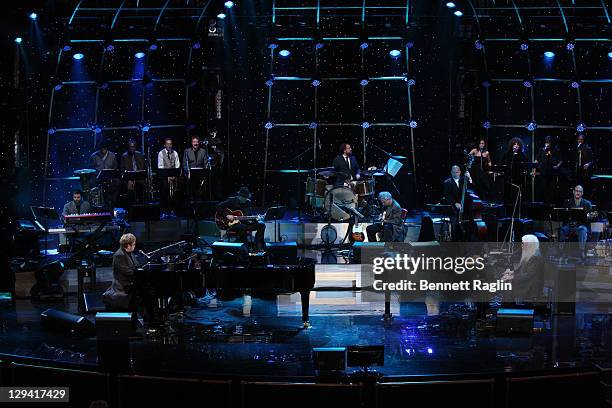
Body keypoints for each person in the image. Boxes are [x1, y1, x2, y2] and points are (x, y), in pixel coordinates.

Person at [501, 234, 545, 301]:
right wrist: (511, 272)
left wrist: (512, 277)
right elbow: (522, 270)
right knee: (506, 281)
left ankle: (509, 304)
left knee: (508, 284)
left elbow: (528, 275)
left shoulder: (536, 257)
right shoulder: (530, 254)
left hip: (531, 285)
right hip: (527, 282)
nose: (522, 245)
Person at [103, 233, 138, 311]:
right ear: (128, 245)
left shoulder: (130, 253)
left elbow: (135, 266)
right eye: (133, 244)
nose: (135, 246)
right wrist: (139, 274)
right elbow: (127, 271)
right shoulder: (119, 255)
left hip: (130, 281)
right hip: (123, 284)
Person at [559, 185, 593, 255]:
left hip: (581, 225)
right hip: (570, 225)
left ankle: (581, 251)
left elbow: (590, 218)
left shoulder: (587, 203)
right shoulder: (567, 202)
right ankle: (561, 252)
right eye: (576, 191)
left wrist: (588, 216)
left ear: (582, 193)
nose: (578, 193)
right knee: (562, 230)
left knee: (582, 230)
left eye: (580, 191)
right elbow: (563, 216)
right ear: (573, 192)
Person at [443, 165, 474, 241]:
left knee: (467, 227)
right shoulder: (447, 182)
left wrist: (469, 178)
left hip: (465, 208)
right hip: (454, 209)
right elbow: (448, 196)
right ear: (451, 172)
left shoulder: (464, 180)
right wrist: (455, 203)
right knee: (455, 228)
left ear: (460, 172)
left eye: (457, 172)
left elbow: (472, 188)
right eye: (453, 172)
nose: (455, 174)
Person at [90, 143, 120, 209]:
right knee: (92, 182)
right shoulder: (94, 156)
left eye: (105, 149)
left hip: (109, 177)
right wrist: (97, 174)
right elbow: (91, 169)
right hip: (97, 177)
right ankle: (97, 204)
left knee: (117, 182)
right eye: (102, 149)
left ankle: (112, 201)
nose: (103, 150)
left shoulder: (112, 155)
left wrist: (111, 174)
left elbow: (115, 168)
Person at [157, 138, 180, 214]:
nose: (169, 145)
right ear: (165, 145)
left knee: (174, 193)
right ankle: (164, 210)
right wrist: (168, 176)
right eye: (168, 144)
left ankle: (173, 209)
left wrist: (173, 175)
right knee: (165, 189)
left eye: (170, 144)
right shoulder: (161, 153)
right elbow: (160, 166)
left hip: (173, 176)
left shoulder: (175, 153)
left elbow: (177, 165)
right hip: (164, 176)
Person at [502, 137, 527, 205]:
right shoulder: (508, 154)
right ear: (512, 145)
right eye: (514, 144)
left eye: (517, 144)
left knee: (515, 195)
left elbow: (524, 165)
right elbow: (503, 163)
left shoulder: (522, 155)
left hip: (517, 178)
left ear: (520, 146)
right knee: (507, 194)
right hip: (508, 177)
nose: (516, 146)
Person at [183, 135, 209, 200]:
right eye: (194, 142)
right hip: (190, 173)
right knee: (190, 184)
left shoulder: (203, 151)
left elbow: (206, 163)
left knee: (203, 185)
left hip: (200, 173)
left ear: (199, 143)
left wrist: (205, 172)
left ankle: (200, 199)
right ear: (192, 143)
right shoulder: (187, 151)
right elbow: (184, 164)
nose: (195, 143)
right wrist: (187, 172)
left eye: (197, 142)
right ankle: (191, 198)